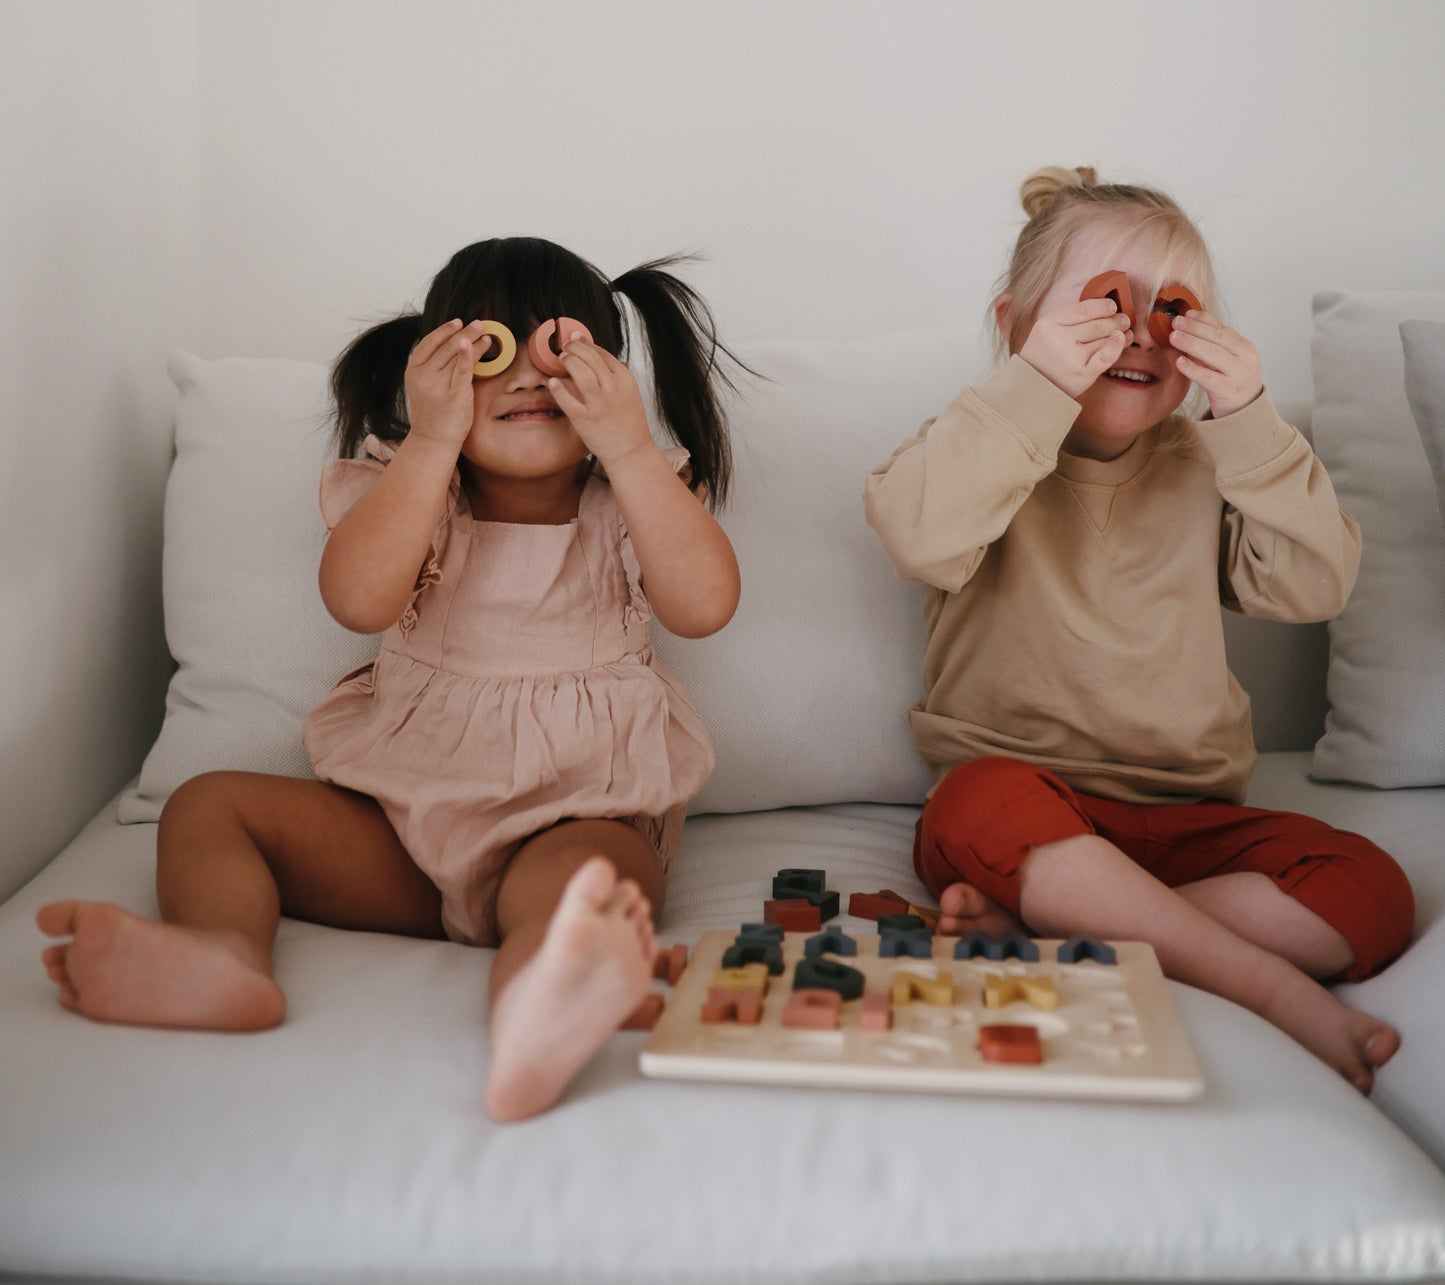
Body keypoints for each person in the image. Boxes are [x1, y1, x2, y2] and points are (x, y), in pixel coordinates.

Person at [38, 236, 744, 1121]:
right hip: (405, 836)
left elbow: (706, 603)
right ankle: (219, 955)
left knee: (590, 886)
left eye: (558, 351)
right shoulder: (415, 497)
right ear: (443, 363)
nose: (527, 375)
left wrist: (634, 448)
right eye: (493, 350)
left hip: (571, 823)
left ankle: (539, 1008)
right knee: (208, 803)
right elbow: (358, 600)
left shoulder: (627, 505)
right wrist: (430, 440)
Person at [864, 166, 1414, 1094]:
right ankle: (1262, 987)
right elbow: (918, 533)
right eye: (1105, 306)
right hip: (1026, 808)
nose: (1138, 332)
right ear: (1014, 327)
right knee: (974, 804)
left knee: (1371, 891)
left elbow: (1312, 584)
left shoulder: (1210, 463)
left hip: (1190, 817)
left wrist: (1247, 419)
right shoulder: (979, 445)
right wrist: (1033, 386)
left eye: (1173, 310)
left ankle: (1059, 937)